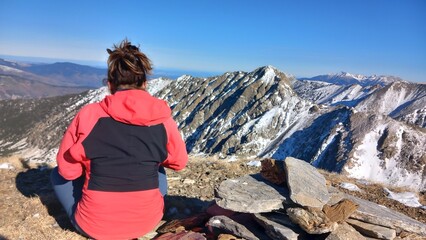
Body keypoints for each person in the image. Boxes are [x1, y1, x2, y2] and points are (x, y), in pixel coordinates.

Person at [50, 39, 188, 239]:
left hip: (94, 227)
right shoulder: (163, 119)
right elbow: (179, 162)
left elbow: (67, 170)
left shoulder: (90, 114)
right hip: (146, 222)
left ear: (110, 84)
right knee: (158, 167)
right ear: (145, 83)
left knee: (57, 174)